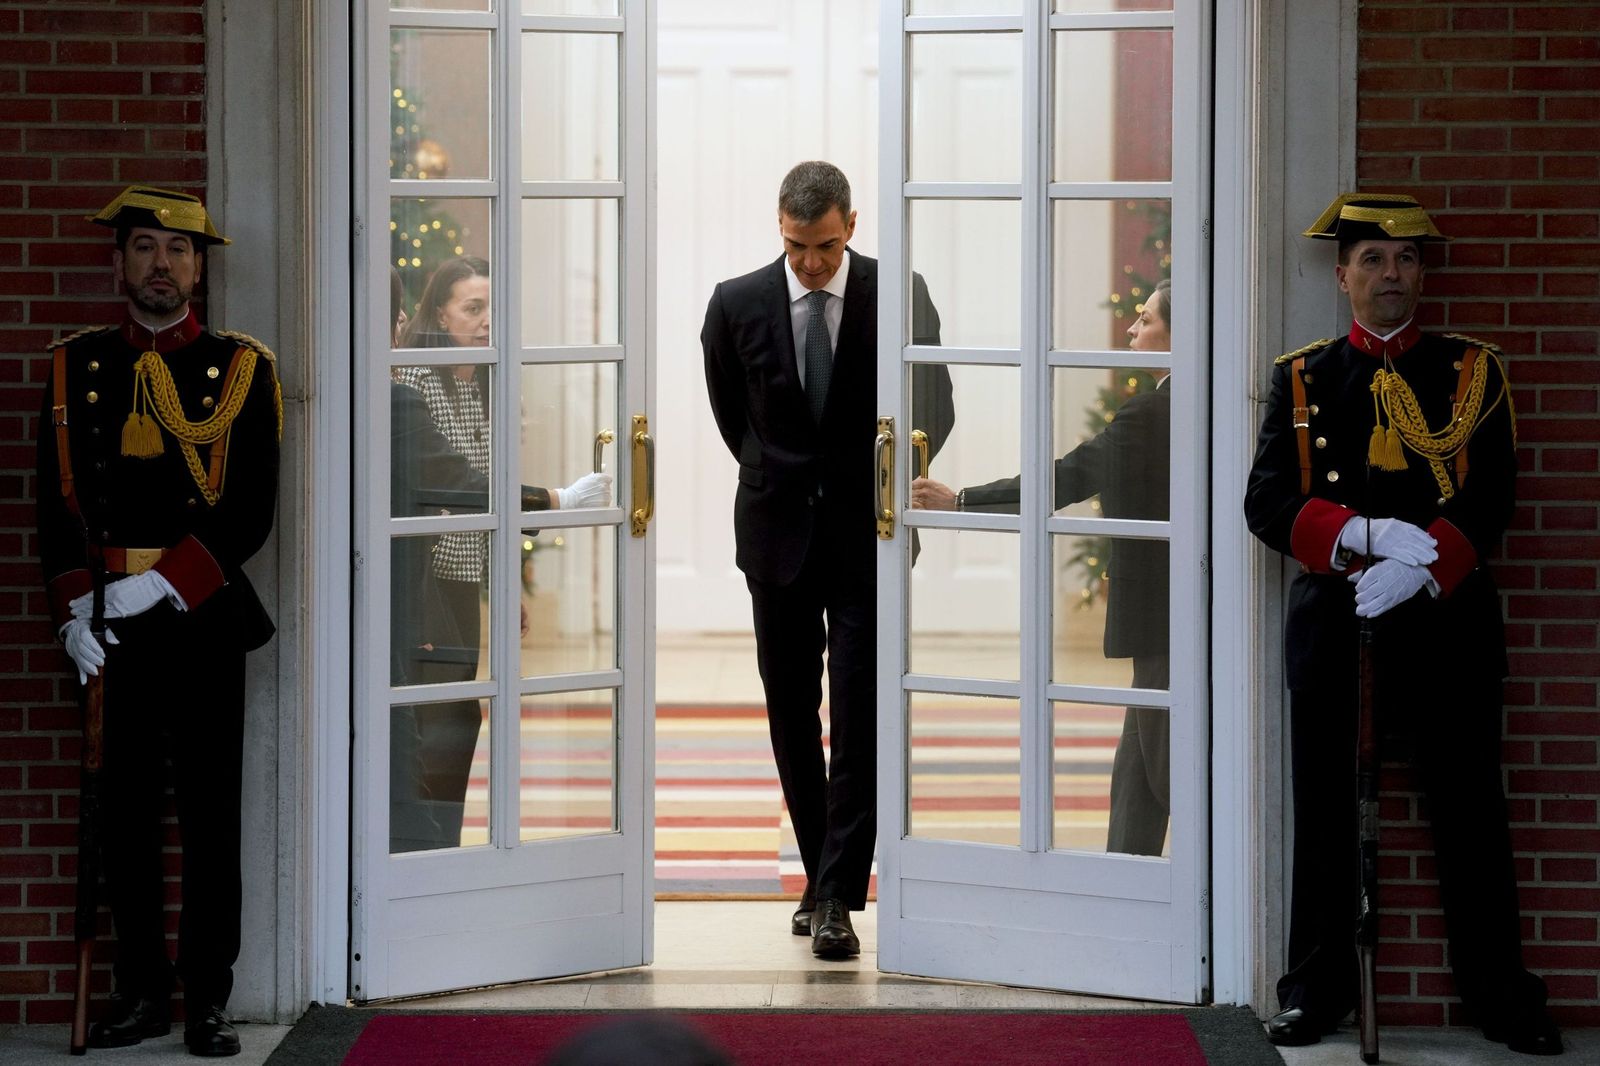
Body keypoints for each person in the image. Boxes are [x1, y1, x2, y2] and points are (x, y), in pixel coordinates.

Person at [1245, 193, 1562, 1055]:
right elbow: (1267, 501)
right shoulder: (1303, 377)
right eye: (1374, 259)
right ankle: (1314, 993)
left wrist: (1421, 564)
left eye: (1408, 260)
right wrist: (1356, 536)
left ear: (1423, 273)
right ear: (1342, 273)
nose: (1393, 275)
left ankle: (1502, 997)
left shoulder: (1472, 372)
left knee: (1469, 814)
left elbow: (1494, 492)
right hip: (1337, 621)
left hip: (1447, 624)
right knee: (1325, 818)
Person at [34, 186, 282, 1056]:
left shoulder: (243, 368)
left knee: (211, 818)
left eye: (178, 252)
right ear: (120, 263)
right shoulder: (74, 365)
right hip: (107, 627)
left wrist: (164, 584)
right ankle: (141, 993)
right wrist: (75, 610)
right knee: (124, 815)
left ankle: (205, 999)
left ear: (200, 269)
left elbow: (250, 507)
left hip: (199, 619)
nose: (162, 265)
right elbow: (51, 507)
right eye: (145, 248)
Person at [701, 161, 953, 958]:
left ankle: (839, 893)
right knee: (790, 714)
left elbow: (934, 406)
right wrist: (776, 471)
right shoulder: (734, 301)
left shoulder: (897, 290)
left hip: (866, 535)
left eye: (827, 245)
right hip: (775, 537)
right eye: (798, 245)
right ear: (779, 222)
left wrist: (879, 481)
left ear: (851, 225)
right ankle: (822, 876)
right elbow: (730, 411)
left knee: (860, 714)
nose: (812, 261)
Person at [911, 278, 1172, 857]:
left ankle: (1174, 906)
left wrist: (962, 501)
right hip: (1164, 616)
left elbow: (1067, 478)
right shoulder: (1182, 403)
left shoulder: (1153, 412)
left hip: (1163, 618)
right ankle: (1123, 890)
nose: (1131, 330)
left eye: (1146, 320)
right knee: (1136, 779)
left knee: (1164, 775)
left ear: (1177, 334)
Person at [391, 255, 611, 849]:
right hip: (422, 578)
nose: (487, 321)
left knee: (458, 720)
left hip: (461, 580)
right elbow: (456, 481)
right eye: (473, 307)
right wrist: (555, 499)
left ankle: (443, 853)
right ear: (440, 313)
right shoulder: (416, 381)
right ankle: (421, 856)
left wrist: (508, 581)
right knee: (442, 721)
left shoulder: (490, 381)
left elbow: (491, 493)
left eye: (494, 308)